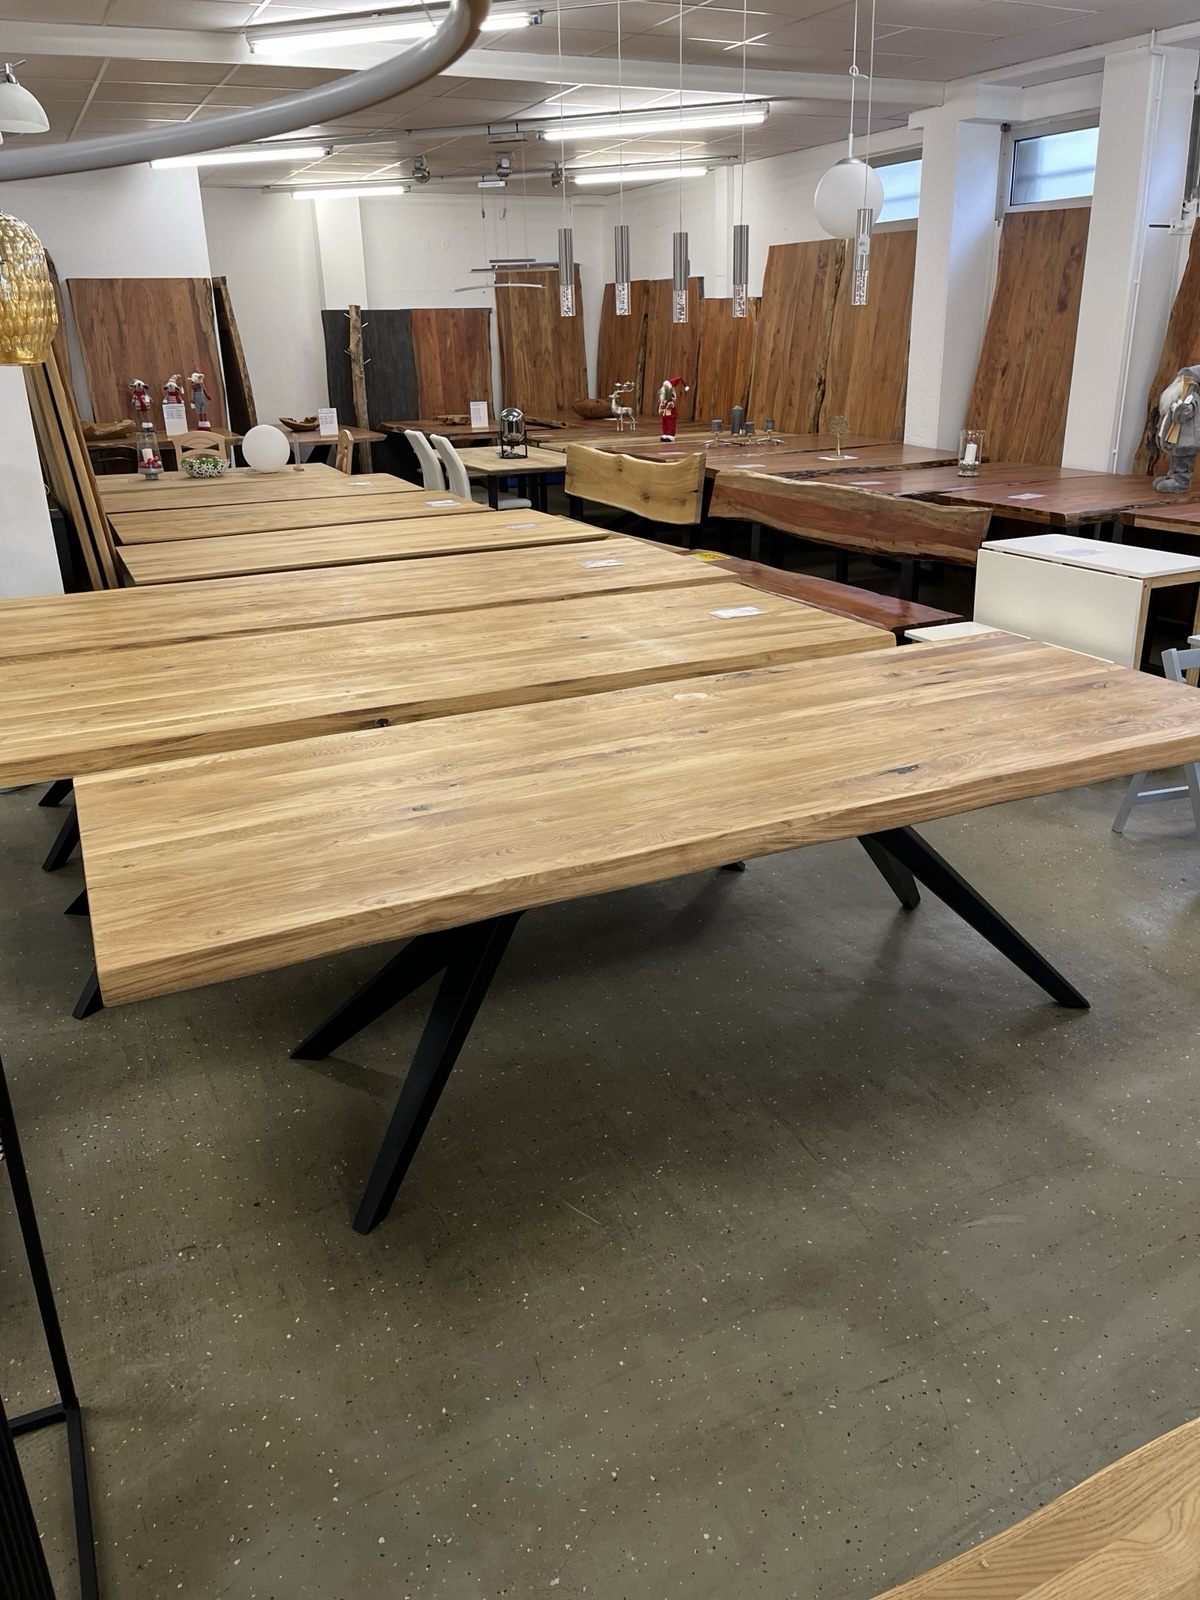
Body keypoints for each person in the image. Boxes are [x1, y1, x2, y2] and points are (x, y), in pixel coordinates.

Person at [1154, 364, 1200, 492]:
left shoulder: (1191, 397)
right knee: (1175, 458)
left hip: (1186, 439)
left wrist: (1177, 407)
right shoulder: (1179, 395)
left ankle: (1181, 482)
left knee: (1183, 460)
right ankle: (1173, 477)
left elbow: (1185, 413)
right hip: (1176, 437)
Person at [657, 374, 687, 442]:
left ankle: (670, 435)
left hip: (670, 412)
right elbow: (661, 403)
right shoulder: (663, 396)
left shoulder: (671, 395)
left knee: (670, 423)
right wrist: (661, 408)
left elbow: (672, 403)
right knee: (664, 423)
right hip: (664, 412)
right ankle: (665, 433)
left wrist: (668, 405)